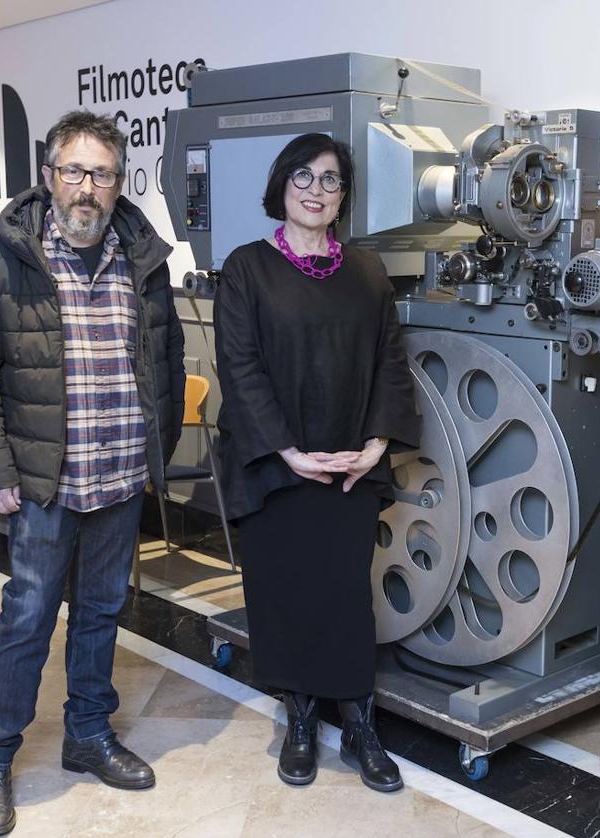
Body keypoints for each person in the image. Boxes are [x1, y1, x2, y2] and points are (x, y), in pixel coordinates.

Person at [0, 110, 186, 836]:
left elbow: (166, 363)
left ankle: (88, 733)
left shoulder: (143, 261)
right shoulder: (1, 260)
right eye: (74, 171)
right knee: (25, 620)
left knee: (101, 612)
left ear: (119, 183)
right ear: (49, 177)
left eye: (102, 174)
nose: (87, 187)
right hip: (41, 483)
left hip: (117, 479)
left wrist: (156, 453)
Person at [214, 133, 420, 792]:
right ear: (281, 185)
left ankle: (359, 723)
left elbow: (391, 362)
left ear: (342, 197)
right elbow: (240, 368)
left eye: (330, 180)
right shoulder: (247, 267)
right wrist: (289, 453)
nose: (315, 189)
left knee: (345, 597)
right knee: (283, 594)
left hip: (350, 468)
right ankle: (300, 718)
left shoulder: (366, 274)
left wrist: (376, 448)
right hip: (276, 466)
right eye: (303, 176)